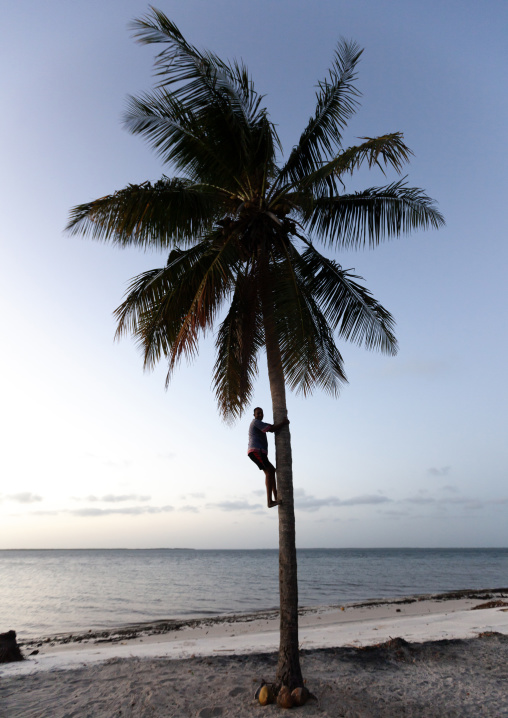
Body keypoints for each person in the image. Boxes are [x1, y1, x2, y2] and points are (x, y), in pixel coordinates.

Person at [248, 407, 289, 508]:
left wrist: (280, 423)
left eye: (261, 413)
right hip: (256, 450)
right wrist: (283, 423)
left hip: (260, 452)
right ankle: (270, 501)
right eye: (258, 413)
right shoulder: (256, 422)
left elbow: (271, 427)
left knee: (271, 470)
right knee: (269, 471)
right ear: (254, 415)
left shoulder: (260, 423)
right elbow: (271, 429)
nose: (260, 415)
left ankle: (275, 496)